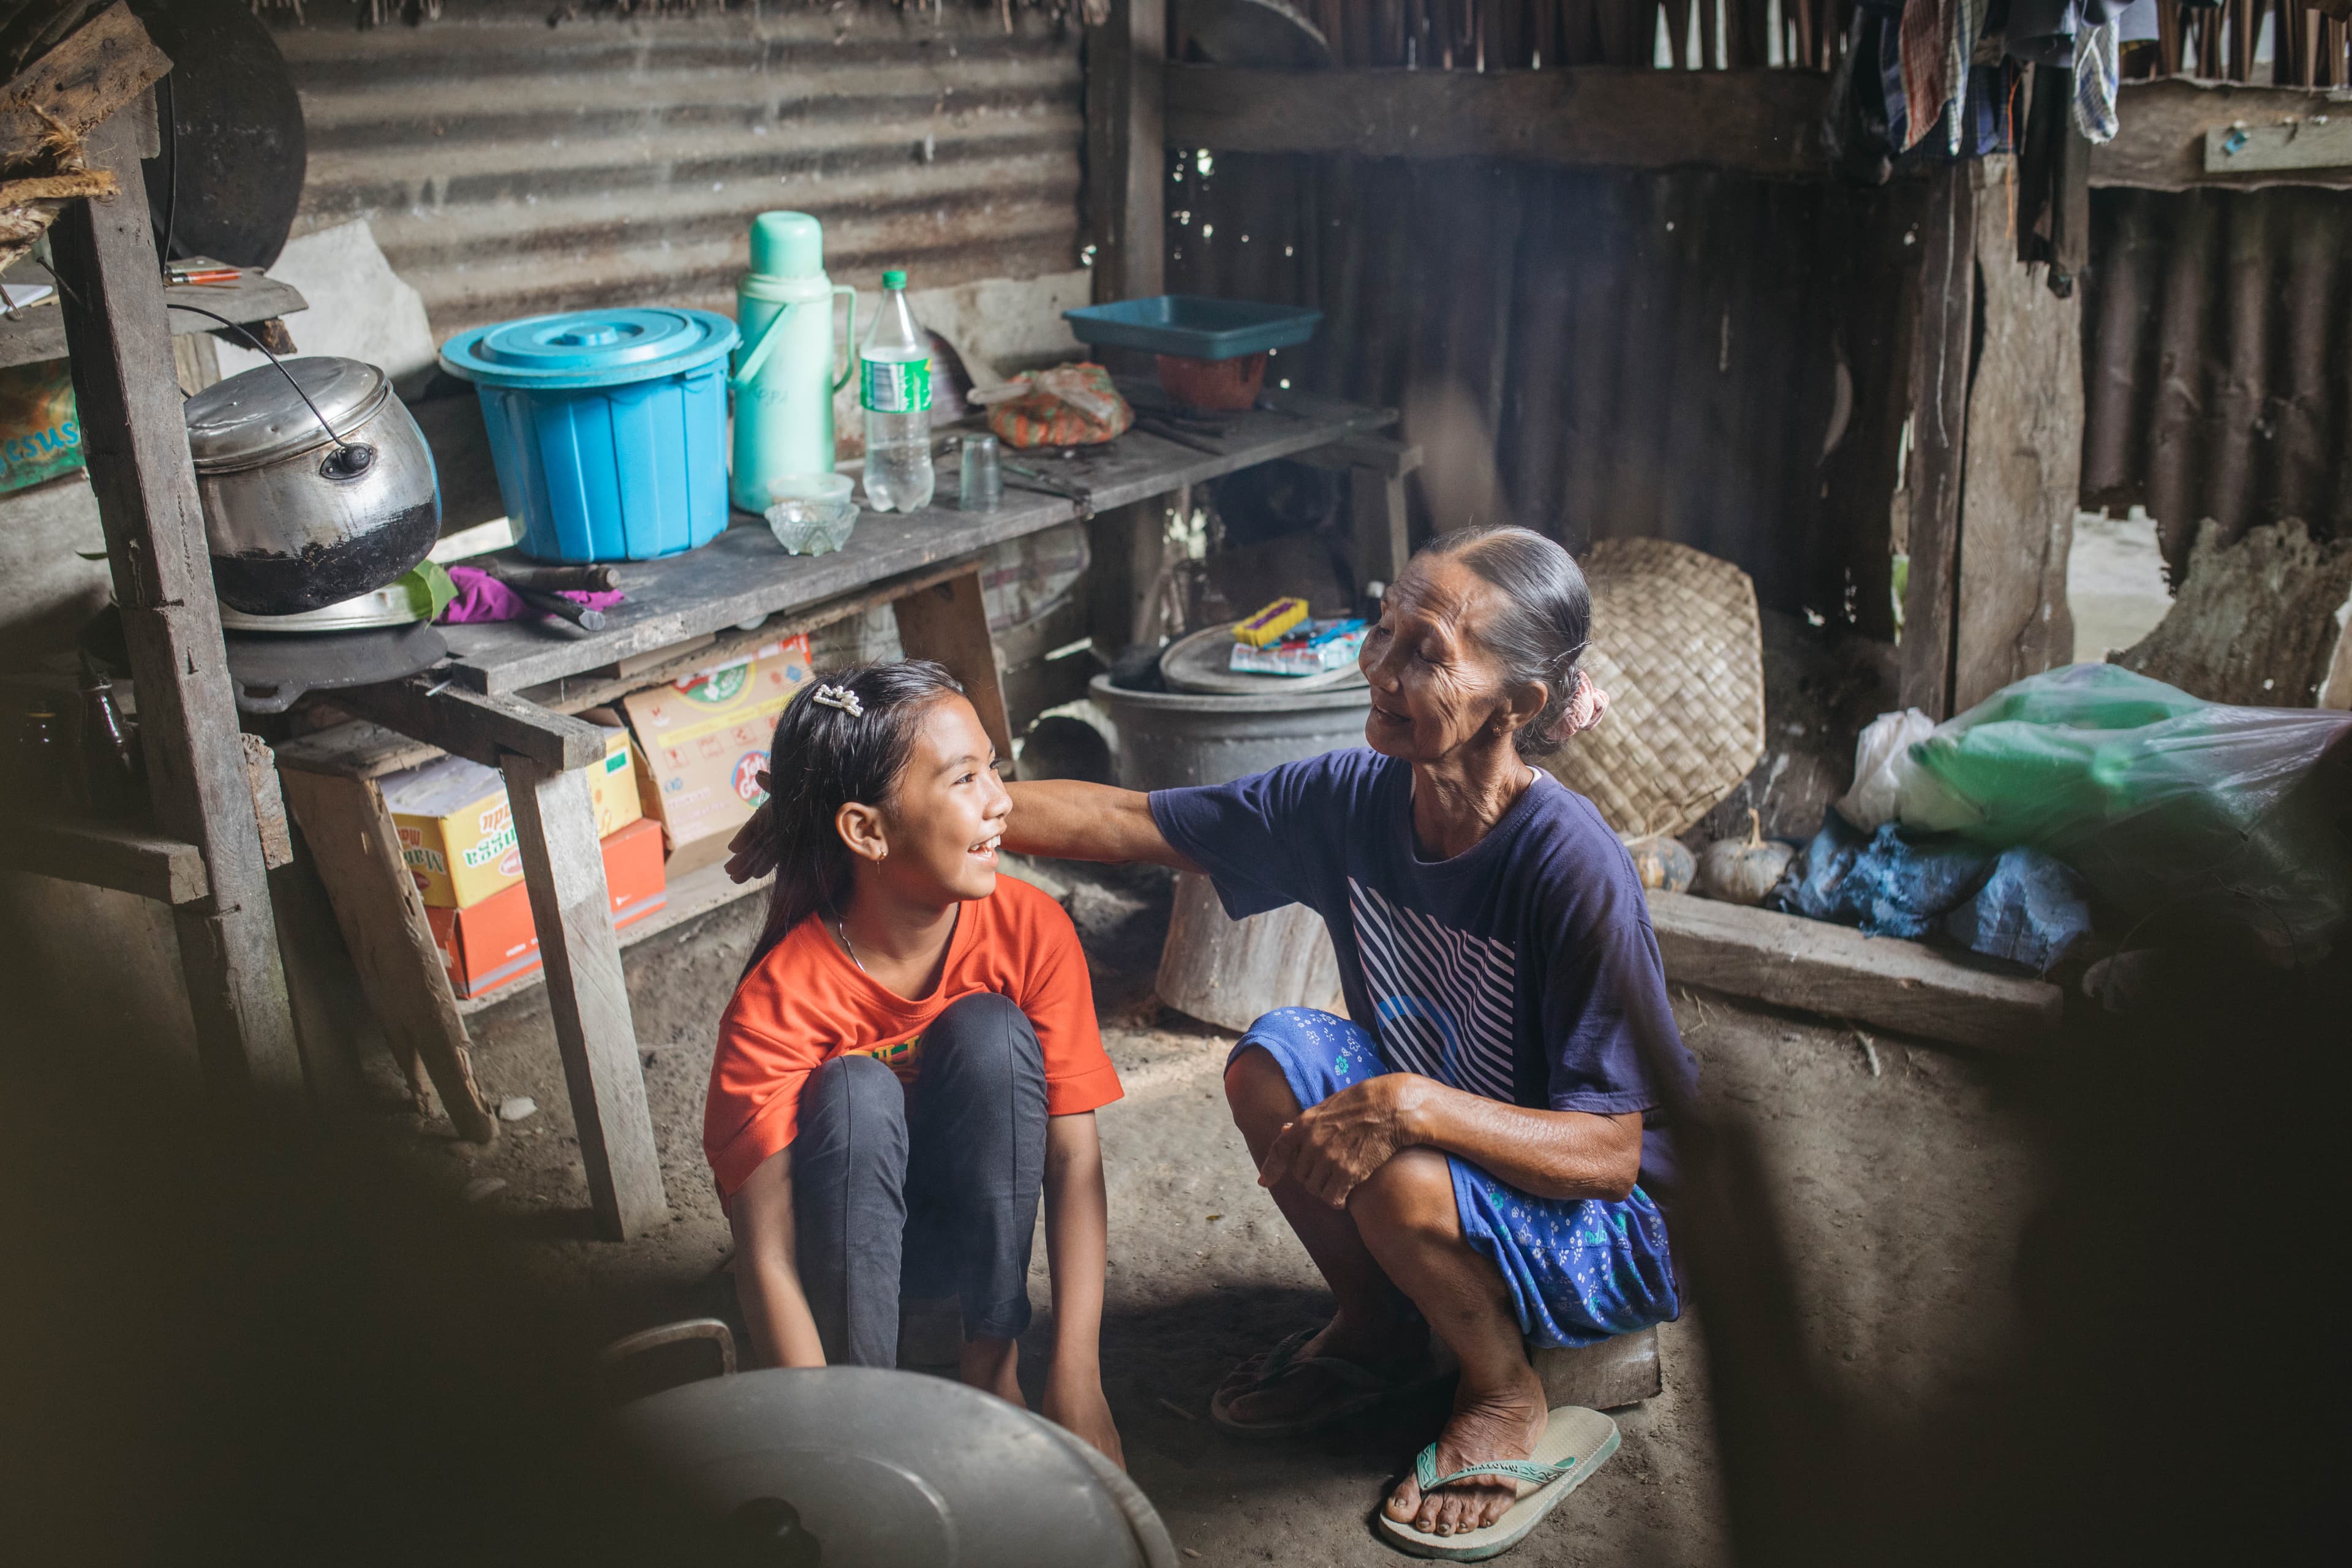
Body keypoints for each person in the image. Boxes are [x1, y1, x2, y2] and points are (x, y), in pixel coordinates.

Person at [1005, 525, 1694, 1557]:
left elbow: (1610, 1154)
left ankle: (1504, 1394)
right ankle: (1378, 1330)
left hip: (1610, 1221)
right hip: (1463, 1146)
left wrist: (1413, 1106)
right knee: (1273, 1059)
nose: (1380, 667)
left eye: (1426, 653)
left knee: (1401, 1167)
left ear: (1518, 708)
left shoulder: (1570, 866)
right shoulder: (1352, 801)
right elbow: (1125, 820)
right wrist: (921, 801)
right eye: (1385, 632)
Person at [706, 660, 1126, 1463]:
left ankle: (987, 1367)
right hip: (839, 1274)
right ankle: (876, 1399)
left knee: (991, 1034)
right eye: (965, 779)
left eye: (992, 769)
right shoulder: (779, 999)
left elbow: (1073, 1160)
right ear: (866, 831)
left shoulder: (1031, 930)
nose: (1003, 800)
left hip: (961, 1253)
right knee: (858, 1093)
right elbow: (765, 1252)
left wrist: (1077, 1376)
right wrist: (839, 1444)